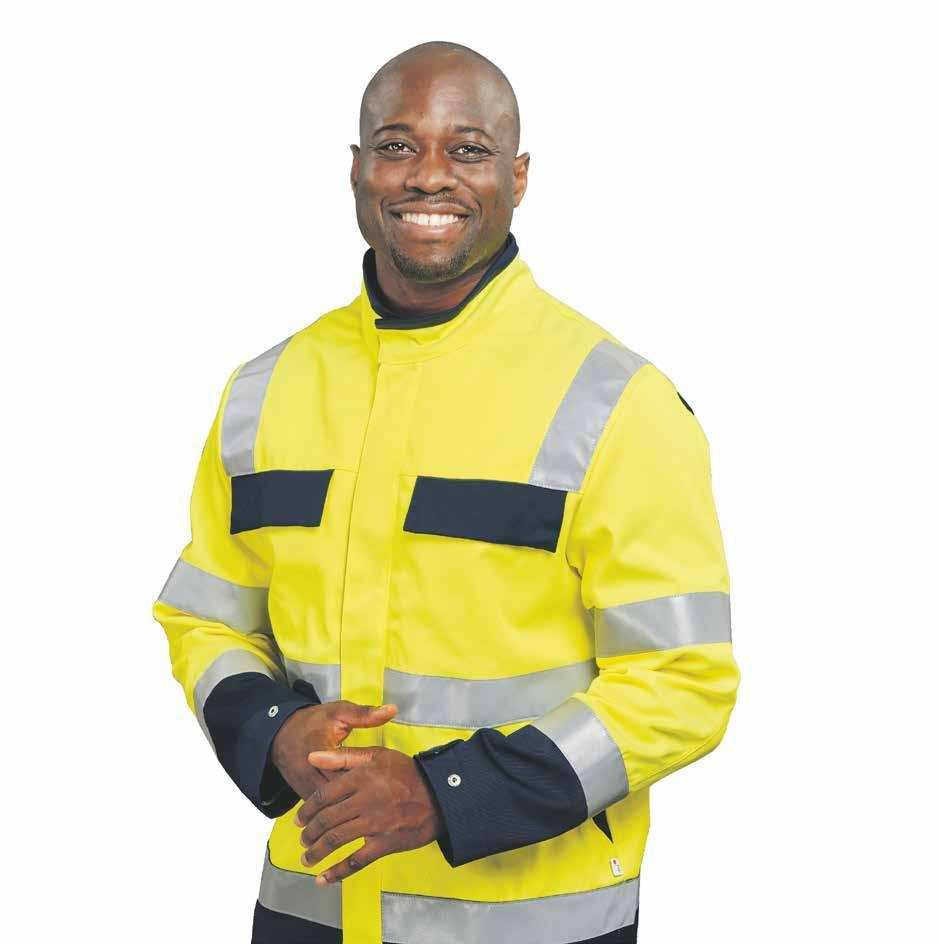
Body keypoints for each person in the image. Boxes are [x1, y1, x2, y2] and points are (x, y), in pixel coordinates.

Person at [152, 39, 740, 944]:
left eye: (467, 149)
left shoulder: (614, 402)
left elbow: (682, 680)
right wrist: (273, 730)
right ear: (357, 170)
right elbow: (205, 619)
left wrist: (446, 793)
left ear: (518, 175)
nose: (429, 175)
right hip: (308, 912)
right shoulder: (263, 390)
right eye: (397, 146)